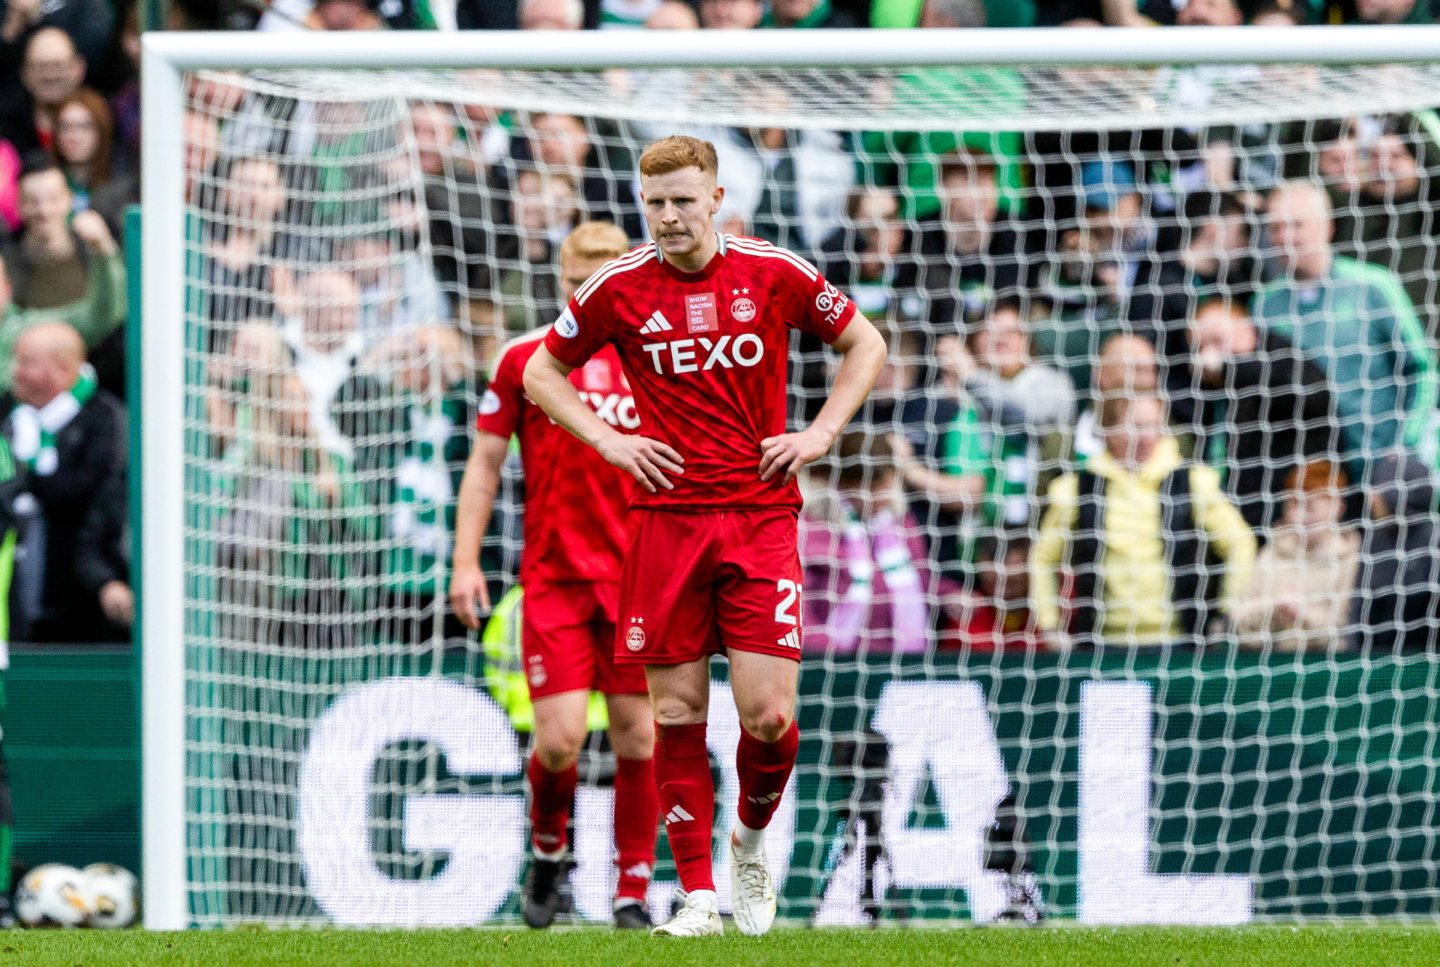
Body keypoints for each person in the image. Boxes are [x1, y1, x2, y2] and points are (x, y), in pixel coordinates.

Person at [522, 135, 885, 936]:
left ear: (716, 197)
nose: (669, 216)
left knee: (766, 716)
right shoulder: (618, 287)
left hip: (759, 517)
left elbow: (867, 342)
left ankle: (749, 843)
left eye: (684, 199)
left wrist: (821, 432)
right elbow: (539, 372)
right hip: (664, 523)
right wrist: (610, 441)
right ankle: (697, 895)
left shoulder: (773, 271)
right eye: (655, 203)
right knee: (675, 713)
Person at [450, 221, 660, 931]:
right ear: (562, 280)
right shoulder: (525, 358)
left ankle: (631, 891)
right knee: (561, 738)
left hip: (642, 579)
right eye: (578, 280)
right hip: (557, 579)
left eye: (603, 278)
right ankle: (548, 853)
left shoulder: (660, 356)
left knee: (640, 737)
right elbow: (484, 464)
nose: (589, 292)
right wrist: (464, 559)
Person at [1032, 394, 1255, 648]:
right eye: (1137, 426)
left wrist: (1225, 614)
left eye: (1153, 425)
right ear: (1108, 431)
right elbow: (1043, 558)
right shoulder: (1076, 489)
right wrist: (1049, 625)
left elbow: (1239, 543)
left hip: (1179, 643)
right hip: (1102, 646)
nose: (1146, 436)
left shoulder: (1193, 482)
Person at [1252, 181, 1438, 476]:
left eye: (1296, 225)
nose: (1285, 237)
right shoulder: (1264, 307)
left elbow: (1422, 370)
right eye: (1275, 228)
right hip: (1312, 485)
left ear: (1327, 227)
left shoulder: (1373, 286)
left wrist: (1405, 447)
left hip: (1384, 469)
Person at [0, 321, 125, 642]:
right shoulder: (7, 415)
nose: (18, 373)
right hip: (13, 601)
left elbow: (87, 493)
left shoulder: (104, 420)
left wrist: (26, 475)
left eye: (27, 362)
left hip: (80, 605)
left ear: (64, 369)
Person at [1186, 298, 1339, 536]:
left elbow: (1310, 398)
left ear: (1246, 329)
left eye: (1216, 340)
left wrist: (1229, 367)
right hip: (1235, 519)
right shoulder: (1211, 390)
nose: (1208, 354)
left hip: (1288, 522)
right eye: (1199, 347)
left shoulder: (1281, 358)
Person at [799, 431, 945, 656]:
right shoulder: (814, 526)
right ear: (843, 484)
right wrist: (824, 651)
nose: (881, 497)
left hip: (899, 658)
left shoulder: (899, 520)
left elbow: (921, 577)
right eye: (871, 490)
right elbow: (799, 603)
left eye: (885, 487)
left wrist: (951, 593)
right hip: (833, 659)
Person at [1233, 460, 1360, 652]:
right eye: (1293, 505)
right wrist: (1274, 608)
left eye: (1310, 508)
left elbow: (1345, 634)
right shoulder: (1270, 553)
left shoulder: (1351, 560)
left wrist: (1302, 613)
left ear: (1337, 507)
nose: (1299, 517)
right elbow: (1239, 621)